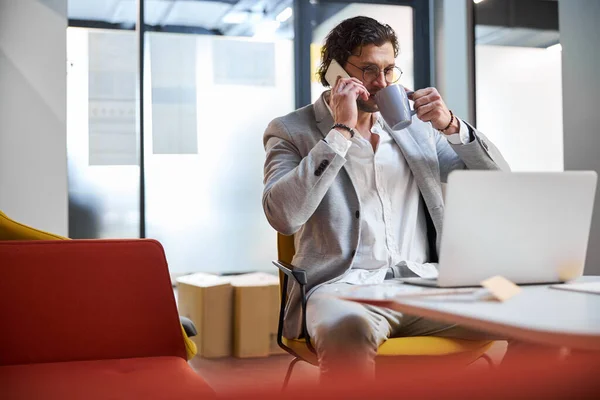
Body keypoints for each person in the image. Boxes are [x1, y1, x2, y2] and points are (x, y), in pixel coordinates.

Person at [262, 16, 535, 382]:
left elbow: (499, 184)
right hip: (345, 289)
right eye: (369, 70)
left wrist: (452, 126)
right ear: (335, 73)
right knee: (347, 330)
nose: (382, 83)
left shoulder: (418, 128)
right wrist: (340, 132)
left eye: (390, 69)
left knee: (534, 308)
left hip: (431, 283)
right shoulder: (292, 130)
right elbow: (284, 215)